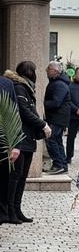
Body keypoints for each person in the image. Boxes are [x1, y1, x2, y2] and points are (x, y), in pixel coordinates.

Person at [4, 62, 51, 224]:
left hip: (28, 137)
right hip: (20, 137)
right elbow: (24, 111)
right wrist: (42, 125)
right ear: (31, 72)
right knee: (15, 176)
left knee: (22, 176)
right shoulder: (19, 87)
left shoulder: (26, 87)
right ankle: (10, 210)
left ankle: (17, 209)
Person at [0, 75, 22, 224]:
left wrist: (15, 145)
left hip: (2, 142)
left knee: (1, 184)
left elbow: (15, 113)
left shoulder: (6, 84)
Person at [44, 61, 71, 174]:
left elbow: (56, 102)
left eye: (48, 68)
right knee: (57, 140)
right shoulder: (57, 82)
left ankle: (58, 164)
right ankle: (62, 165)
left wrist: (43, 103)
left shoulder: (59, 84)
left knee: (50, 138)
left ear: (55, 71)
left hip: (57, 117)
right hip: (57, 117)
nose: (46, 70)